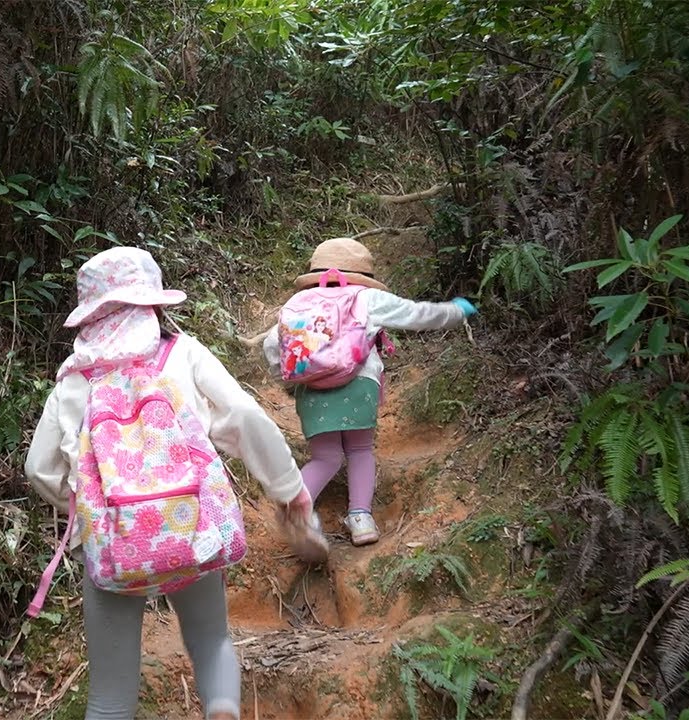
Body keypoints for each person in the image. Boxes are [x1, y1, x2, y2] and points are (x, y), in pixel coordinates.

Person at [25, 246, 317, 720]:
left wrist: (96, 517)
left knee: (109, 697)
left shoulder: (73, 381)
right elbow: (242, 416)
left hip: (115, 550)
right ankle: (221, 709)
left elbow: (39, 468)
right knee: (211, 640)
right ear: (154, 304)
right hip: (191, 529)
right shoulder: (182, 352)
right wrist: (288, 488)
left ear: (89, 316)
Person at [260, 237, 477, 546]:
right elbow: (415, 314)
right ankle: (361, 519)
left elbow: (273, 345)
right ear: (361, 275)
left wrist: (287, 379)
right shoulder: (367, 298)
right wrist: (456, 311)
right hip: (360, 384)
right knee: (360, 450)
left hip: (312, 391)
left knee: (326, 458)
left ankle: (295, 507)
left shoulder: (298, 304)